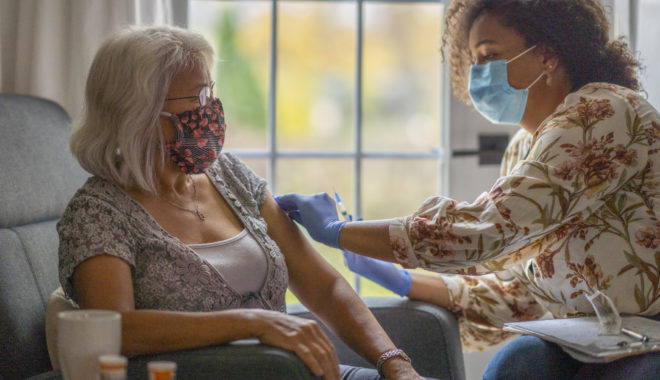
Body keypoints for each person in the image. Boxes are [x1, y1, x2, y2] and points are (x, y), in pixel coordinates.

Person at [275, 0, 660, 378]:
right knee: (517, 364)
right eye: (473, 60)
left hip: (647, 335)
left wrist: (340, 233)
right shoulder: (524, 149)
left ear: (548, 55)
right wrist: (406, 281)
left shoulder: (605, 113)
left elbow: (489, 230)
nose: (478, 74)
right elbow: (522, 296)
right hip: (590, 340)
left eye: (489, 55)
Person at [55, 25, 425, 380]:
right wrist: (253, 323)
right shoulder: (98, 212)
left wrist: (395, 364)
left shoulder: (229, 175)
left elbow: (323, 286)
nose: (210, 110)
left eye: (210, 94)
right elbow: (116, 328)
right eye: (195, 99)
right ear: (140, 114)